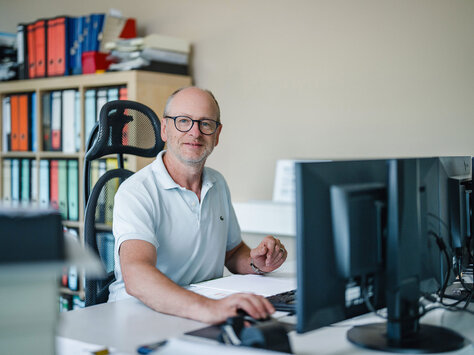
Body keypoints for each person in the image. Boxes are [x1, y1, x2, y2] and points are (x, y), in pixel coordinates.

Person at [109, 87, 287, 324]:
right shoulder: (137, 191)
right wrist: (210, 309)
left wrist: (257, 262)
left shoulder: (217, 183)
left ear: (217, 134)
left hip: (196, 313)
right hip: (138, 317)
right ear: (164, 129)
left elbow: (232, 252)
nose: (195, 132)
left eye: (205, 123)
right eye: (183, 121)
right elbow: (136, 275)